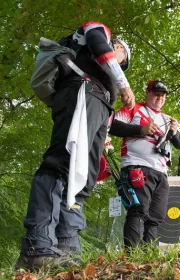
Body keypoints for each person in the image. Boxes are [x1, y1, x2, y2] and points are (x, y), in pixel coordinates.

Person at [16, 21, 135, 270]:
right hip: (83, 91)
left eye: (122, 52)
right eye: (120, 47)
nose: (118, 50)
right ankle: (37, 245)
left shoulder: (107, 81)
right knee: (61, 162)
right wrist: (123, 84)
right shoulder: (98, 31)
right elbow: (99, 44)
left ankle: (66, 247)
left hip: (98, 105)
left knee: (85, 177)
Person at [108, 80, 180, 249]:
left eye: (163, 96)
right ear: (147, 93)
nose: (160, 98)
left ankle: (149, 259)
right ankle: (132, 258)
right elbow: (112, 126)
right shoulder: (134, 109)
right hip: (137, 166)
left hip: (161, 172)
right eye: (156, 94)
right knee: (138, 211)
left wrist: (174, 132)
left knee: (156, 217)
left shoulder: (168, 119)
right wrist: (140, 130)